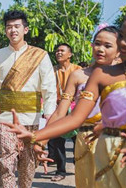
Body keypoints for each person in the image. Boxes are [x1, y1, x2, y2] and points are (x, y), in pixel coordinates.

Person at [5, 9, 126, 188]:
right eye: (122, 37)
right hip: (106, 153)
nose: (123, 43)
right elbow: (74, 117)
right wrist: (36, 136)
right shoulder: (100, 76)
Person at [0, 10, 57, 188]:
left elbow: (49, 88)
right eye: (9, 27)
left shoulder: (41, 55)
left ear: (26, 29)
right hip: (4, 120)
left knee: (28, 168)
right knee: (5, 165)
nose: (13, 30)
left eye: (17, 26)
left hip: (32, 120)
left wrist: (49, 115)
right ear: (5, 31)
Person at [42, 25, 119, 188]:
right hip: (84, 141)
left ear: (119, 50)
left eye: (108, 45)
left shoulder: (125, 77)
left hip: (115, 140)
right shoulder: (78, 75)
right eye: (97, 43)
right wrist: (40, 140)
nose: (101, 49)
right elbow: (61, 112)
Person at [48, 43, 81, 182]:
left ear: (70, 54)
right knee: (57, 141)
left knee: (77, 142)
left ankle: (79, 168)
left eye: (62, 50)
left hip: (75, 110)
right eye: (57, 51)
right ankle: (61, 171)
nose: (58, 53)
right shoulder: (52, 71)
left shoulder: (78, 70)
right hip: (58, 109)